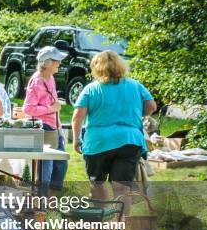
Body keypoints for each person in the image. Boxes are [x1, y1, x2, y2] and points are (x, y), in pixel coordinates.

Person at [72, 50, 156, 208]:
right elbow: (151, 106)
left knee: (97, 183)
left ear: (97, 68)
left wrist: (76, 139)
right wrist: (137, 113)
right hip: (129, 141)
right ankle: (122, 225)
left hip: (98, 142)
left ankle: (101, 220)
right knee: (122, 187)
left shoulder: (91, 89)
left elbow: (78, 116)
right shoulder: (135, 85)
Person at [23, 46, 69, 195]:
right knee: (46, 170)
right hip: (42, 128)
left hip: (53, 127)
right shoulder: (37, 81)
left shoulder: (50, 78)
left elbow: (54, 105)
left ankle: (48, 199)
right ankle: (41, 202)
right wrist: (51, 109)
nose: (59, 63)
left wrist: (59, 128)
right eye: (57, 61)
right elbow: (28, 109)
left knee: (61, 164)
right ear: (48, 63)